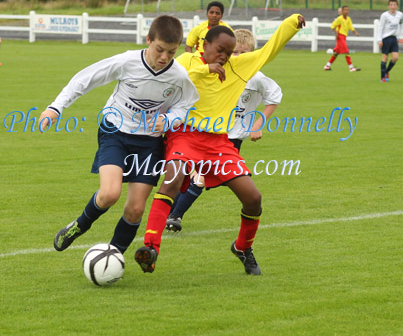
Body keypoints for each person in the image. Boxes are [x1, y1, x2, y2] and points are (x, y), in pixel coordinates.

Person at [134, 14, 305, 276]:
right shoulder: (187, 61)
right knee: (173, 180)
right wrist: (207, 69)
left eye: (229, 52)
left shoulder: (239, 66)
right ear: (205, 46)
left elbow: (270, 49)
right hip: (185, 135)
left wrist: (291, 23)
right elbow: (171, 75)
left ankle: (242, 248)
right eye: (220, 50)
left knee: (253, 198)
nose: (225, 56)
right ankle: (150, 247)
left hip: (219, 143)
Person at [38, 15, 199, 255]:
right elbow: (85, 79)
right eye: (159, 49)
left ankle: (112, 257)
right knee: (109, 194)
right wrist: (55, 107)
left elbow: (186, 106)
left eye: (171, 52)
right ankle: (78, 226)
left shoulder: (178, 76)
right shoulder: (127, 61)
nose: (164, 57)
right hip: (115, 132)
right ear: (148, 40)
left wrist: (169, 119)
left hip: (150, 143)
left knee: (135, 209)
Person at [165, 28, 283, 233]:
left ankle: (171, 215)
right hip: (203, 135)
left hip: (230, 141)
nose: (237, 57)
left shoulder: (255, 77)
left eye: (243, 53)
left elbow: (274, 97)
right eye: (234, 52)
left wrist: (258, 125)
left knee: (195, 179)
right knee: (191, 178)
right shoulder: (213, 71)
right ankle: (172, 215)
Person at [324, 5, 360, 72]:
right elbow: (332, 26)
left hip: (344, 37)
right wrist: (337, 32)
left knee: (336, 53)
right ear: (342, 11)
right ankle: (351, 68)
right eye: (345, 10)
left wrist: (356, 33)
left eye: (348, 10)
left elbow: (351, 27)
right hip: (340, 37)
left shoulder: (348, 19)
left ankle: (327, 66)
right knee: (347, 51)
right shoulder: (339, 19)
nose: (347, 11)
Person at [377, 0, 403, 82]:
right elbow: (380, 27)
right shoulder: (384, 15)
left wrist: (398, 36)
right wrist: (379, 40)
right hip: (386, 38)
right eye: (391, 5)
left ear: (397, 6)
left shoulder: (400, 14)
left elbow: (401, 25)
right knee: (385, 58)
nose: (393, 6)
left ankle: (386, 72)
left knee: (395, 57)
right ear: (388, 6)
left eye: (394, 5)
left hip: (394, 38)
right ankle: (382, 78)